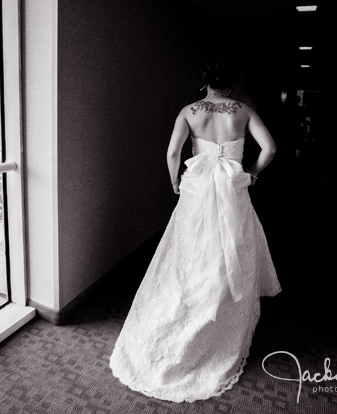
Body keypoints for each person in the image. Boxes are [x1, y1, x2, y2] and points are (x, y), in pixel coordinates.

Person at [109, 58, 282, 402]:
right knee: (229, 250)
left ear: (204, 83)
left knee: (186, 253)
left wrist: (175, 182)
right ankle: (218, 320)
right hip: (233, 189)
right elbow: (271, 149)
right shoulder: (243, 111)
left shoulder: (189, 111)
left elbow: (174, 152)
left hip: (195, 190)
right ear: (231, 84)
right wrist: (251, 175)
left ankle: (182, 309)